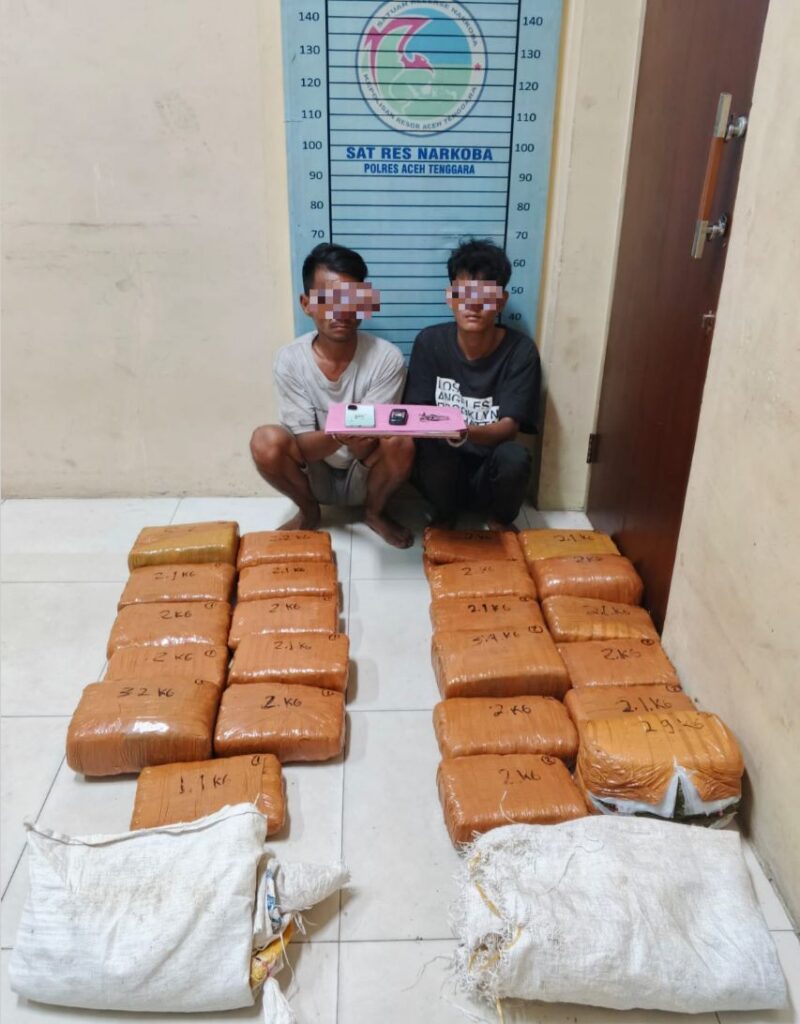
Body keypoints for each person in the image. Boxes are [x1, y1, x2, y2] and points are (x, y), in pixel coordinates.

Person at [250, 243, 415, 548]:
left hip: (366, 470)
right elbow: (303, 447)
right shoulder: (290, 359)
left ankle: (374, 512)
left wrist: (348, 435)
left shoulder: (387, 358)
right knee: (265, 441)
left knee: (400, 441)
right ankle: (309, 512)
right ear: (306, 304)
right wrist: (342, 434)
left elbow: (370, 445)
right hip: (315, 472)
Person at [404, 238, 541, 530]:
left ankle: (499, 520)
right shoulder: (429, 342)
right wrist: (447, 433)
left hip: (489, 471)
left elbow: (509, 428)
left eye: (486, 296)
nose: (474, 305)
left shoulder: (521, 351)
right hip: (443, 467)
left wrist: (463, 431)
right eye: (464, 294)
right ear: (450, 296)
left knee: (515, 456)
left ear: (501, 301)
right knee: (430, 449)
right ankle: (444, 514)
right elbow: (417, 416)